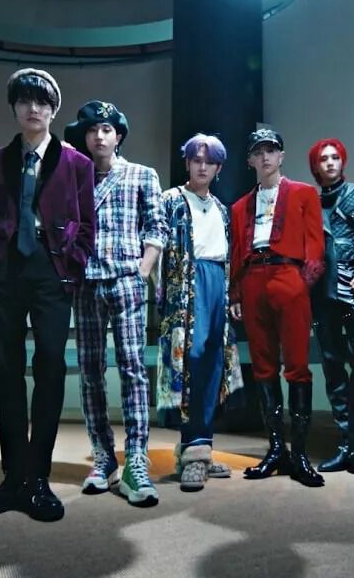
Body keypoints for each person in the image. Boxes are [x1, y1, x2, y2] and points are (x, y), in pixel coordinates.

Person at [0, 69, 94, 522]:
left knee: (50, 366)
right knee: (5, 368)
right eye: (25, 101)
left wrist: (72, 264)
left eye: (42, 102)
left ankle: (38, 475)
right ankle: (13, 475)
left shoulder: (77, 164)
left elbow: (87, 224)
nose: (33, 109)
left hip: (51, 270)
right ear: (15, 108)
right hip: (2, 271)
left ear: (54, 110)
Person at [64, 100, 167, 507]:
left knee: (133, 369)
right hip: (86, 283)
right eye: (92, 130)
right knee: (90, 371)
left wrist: (142, 270)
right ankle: (103, 456)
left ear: (118, 136)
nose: (99, 136)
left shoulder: (142, 174)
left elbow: (156, 226)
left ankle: (136, 458)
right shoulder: (75, 176)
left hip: (126, 279)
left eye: (106, 129)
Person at [229, 128, 325, 487]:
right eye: (259, 152)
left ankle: (298, 452)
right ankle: (275, 449)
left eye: (271, 150)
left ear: (281, 156)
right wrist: (235, 293)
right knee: (263, 366)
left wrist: (303, 282)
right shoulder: (239, 206)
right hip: (253, 278)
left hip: (289, 275)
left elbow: (315, 243)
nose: (266, 157)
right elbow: (236, 252)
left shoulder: (303, 193)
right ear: (250, 160)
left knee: (297, 365)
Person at [157, 133, 242, 492]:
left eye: (209, 162)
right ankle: (193, 448)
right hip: (185, 286)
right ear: (187, 163)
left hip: (217, 281)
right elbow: (157, 247)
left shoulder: (222, 209)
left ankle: (199, 446)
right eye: (196, 160)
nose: (202, 166)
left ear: (219, 168)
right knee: (189, 359)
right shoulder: (171, 200)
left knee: (212, 363)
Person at [307, 138, 354, 481]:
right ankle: (346, 441)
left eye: (335, 157)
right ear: (315, 166)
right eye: (323, 158)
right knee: (332, 363)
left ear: (343, 161)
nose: (330, 162)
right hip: (322, 297)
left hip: (353, 296)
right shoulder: (308, 202)